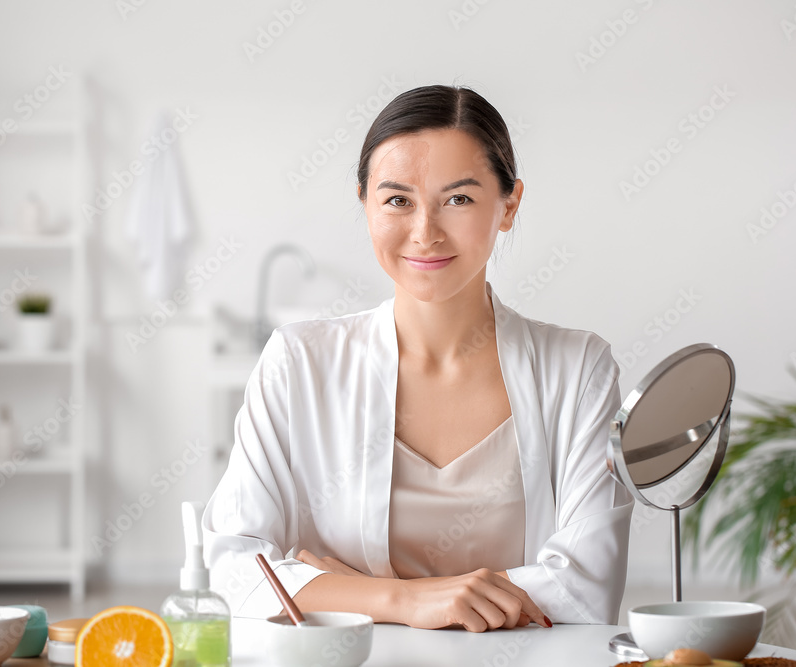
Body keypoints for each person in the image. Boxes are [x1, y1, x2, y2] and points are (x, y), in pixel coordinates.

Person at [203, 85, 633, 632]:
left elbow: (585, 588)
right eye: (397, 200)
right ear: (366, 204)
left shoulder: (578, 370)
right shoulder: (298, 363)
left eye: (458, 199)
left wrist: (352, 592)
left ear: (509, 204)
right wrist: (408, 602)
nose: (425, 233)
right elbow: (234, 571)